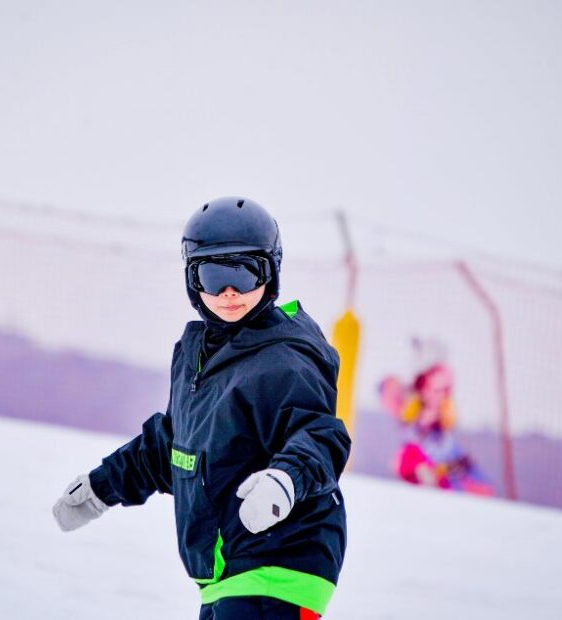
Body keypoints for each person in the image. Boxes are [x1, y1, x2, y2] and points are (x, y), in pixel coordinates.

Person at [52, 197, 350, 619]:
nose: (229, 292)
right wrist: (102, 487)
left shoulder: (286, 358)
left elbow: (320, 435)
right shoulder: (198, 355)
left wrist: (284, 480)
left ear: (272, 271)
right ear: (193, 280)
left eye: (246, 274)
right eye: (213, 276)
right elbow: (172, 448)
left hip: (282, 560)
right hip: (225, 569)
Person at [380, 363, 492, 495]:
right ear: (423, 391)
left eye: (447, 391)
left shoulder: (448, 436)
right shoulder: (407, 428)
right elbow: (401, 463)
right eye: (437, 390)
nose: (442, 397)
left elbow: (482, 486)